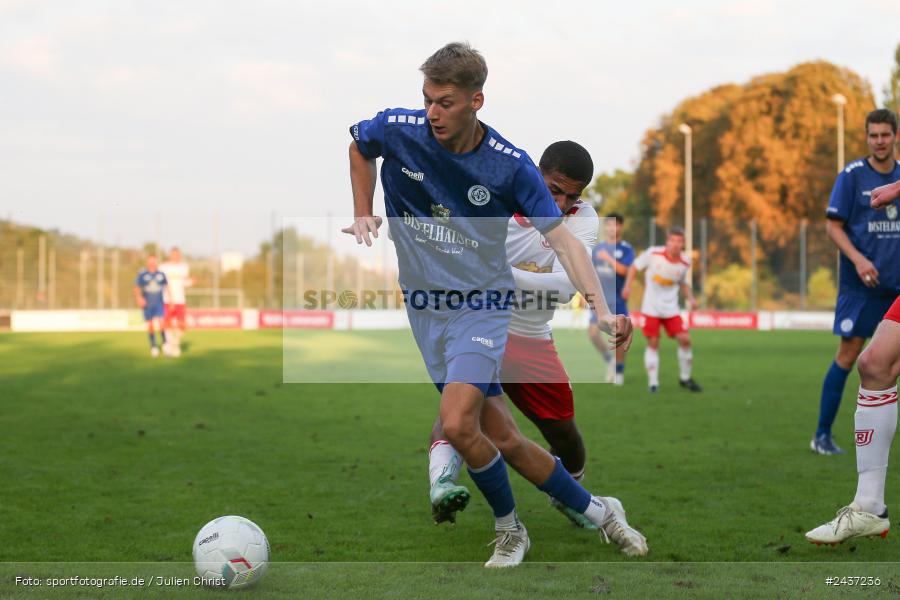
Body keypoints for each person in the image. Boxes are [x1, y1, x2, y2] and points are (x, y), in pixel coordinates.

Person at [345, 42, 646, 567]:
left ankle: (510, 532)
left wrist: (601, 309)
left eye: (444, 102)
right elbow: (358, 146)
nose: (432, 112)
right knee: (502, 435)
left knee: (459, 422)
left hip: (481, 306)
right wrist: (363, 209)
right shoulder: (398, 127)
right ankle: (602, 513)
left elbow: (564, 242)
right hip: (424, 307)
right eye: (427, 99)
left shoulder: (509, 167)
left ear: (475, 101)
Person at [428, 140, 614, 531]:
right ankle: (441, 484)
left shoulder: (582, 218)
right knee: (459, 411)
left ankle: (568, 493)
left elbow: (565, 288)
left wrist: (498, 273)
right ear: (536, 174)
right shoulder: (495, 200)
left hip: (532, 336)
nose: (562, 204)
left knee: (564, 432)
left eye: (573, 196)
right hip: (480, 323)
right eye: (555, 190)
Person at [811, 109, 900, 456]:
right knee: (849, 356)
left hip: (896, 286)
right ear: (866, 137)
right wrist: (859, 259)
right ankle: (822, 435)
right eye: (873, 135)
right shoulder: (851, 176)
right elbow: (833, 226)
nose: (879, 141)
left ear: (895, 136)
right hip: (861, 287)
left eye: (885, 134)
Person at [622, 228, 701, 393]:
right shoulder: (653, 253)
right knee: (653, 342)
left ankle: (685, 379)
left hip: (671, 309)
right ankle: (653, 383)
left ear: (683, 244)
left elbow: (683, 283)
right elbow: (635, 267)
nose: (675, 244)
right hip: (651, 308)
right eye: (672, 240)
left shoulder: (685, 262)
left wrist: (691, 299)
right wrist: (628, 286)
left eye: (679, 241)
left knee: (685, 339)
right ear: (667, 241)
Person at [589, 213, 634, 385]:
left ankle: (619, 373)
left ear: (620, 227)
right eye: (608, 225)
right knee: (593, 333)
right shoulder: (597, 249)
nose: (611, 228)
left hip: (618, 299)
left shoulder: (626, 249)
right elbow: (589, 272)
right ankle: (610, 360)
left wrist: (608, 258)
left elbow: (624, 271)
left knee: (619, 335)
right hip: (600, 299)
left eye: (615, 225)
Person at [159, 247, 192, 357]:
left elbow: (184, 282)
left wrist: (190, 282)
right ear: (170, 255)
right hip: (167, 299)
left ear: (180, 255)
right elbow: (162, 283)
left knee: (182, 325)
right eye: (173, 254)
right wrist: (170, 299)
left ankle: (175, 343)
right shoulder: (163, 267)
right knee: (167, 323)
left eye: (177, 254)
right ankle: (169, 345)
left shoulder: (184, 267)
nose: (175, 256)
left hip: (180, 299)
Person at [133, 255, 168, 358]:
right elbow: (137, 287)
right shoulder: (143, 274)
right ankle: (154, 346)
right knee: (150, 325)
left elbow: (167, 287)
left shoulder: (161, 274)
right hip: (148, 304)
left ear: (156, 262)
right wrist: (139, 298)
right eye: (150, 261)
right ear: (147, 262)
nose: (152, 263)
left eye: (154, 261)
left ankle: (165, 344)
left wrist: (170, 300)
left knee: (162, 323)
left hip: (159, 303)